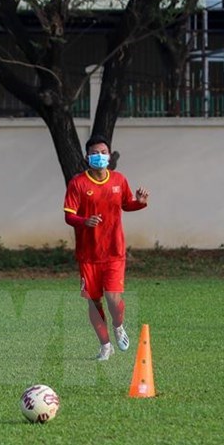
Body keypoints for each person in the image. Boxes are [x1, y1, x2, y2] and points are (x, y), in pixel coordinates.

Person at [63, 135, 149, 360]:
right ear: (87, 157)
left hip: (114, 252)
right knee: (94, 301)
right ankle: (105, 345)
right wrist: (84, 221)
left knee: (113, 298)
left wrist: (139, 202)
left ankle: (119, 326)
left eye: (103, 152)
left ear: (109, 156)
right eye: (95, 152)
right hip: (88, 255)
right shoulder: (77, 183)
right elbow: (69, 216)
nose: (99, 156)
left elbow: (127, 204)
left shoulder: (119, 180)